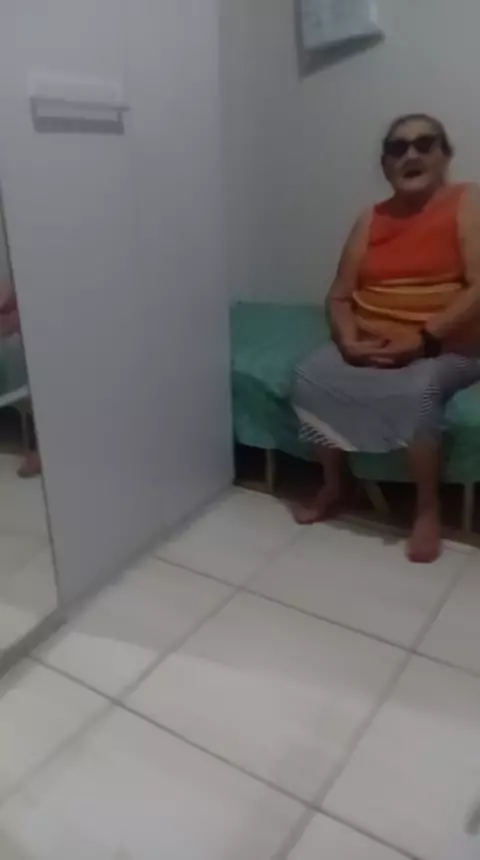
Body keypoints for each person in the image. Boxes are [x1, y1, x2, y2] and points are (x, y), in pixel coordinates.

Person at [292, 113, 480, 563]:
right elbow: (339, 296)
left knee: (418, 389)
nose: (410, 154)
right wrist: (347, 341)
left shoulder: (468, 202)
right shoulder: (370, 219)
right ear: (385, 164)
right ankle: (335, 485)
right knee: (309, 374)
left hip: (447, 345)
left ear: (445, 156)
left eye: (424, 144)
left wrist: (423, 340)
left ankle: (427, 509)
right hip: (372, 340)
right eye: (397, 148)